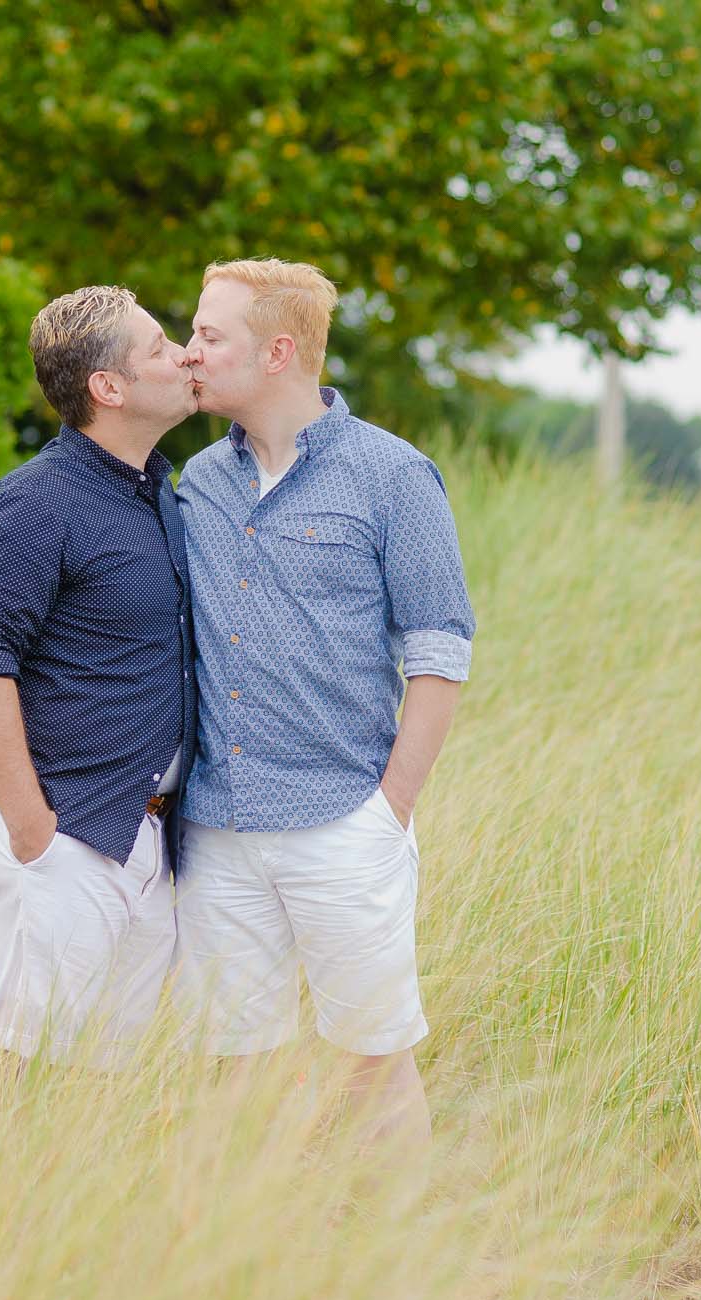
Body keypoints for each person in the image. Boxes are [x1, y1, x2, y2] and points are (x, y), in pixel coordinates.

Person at [174, 258, 475, 1144]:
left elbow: (440, 650)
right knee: (234, 1073)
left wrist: (390, 810)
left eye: (207, 334)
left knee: (372, 1067)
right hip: (217, 833)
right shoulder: (198, 483)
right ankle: (253, 1270)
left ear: (276, 351)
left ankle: (404, 1273)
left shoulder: (394, 476)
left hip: (344, 825)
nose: (190, 349)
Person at [0, 285, 198, 1066]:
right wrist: (35, 835)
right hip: (62, 835)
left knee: (105, 1097)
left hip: (141, 833)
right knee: (33, 1077)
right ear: (108, 387)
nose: (182, 353)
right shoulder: (31, 504)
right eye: (158, 346)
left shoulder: (160, 494)